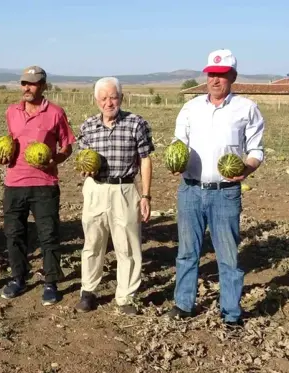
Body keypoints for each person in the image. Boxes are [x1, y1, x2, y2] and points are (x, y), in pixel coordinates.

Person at [166, 49, 265, 327]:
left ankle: (231, 312)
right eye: (211, 74)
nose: (215, 80)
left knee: (228, 255)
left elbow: (256, 149)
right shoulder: (191, 107)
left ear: (232, 76)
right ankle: (184, 304)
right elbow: (178, 142)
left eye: (221, 75)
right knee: (187, 251)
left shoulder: (246, 109)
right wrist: (175, 160)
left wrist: (246, 169)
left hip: (226, 192)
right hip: (191, 190)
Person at [75, 77, 154, 315]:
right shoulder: (88, 126)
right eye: (104, 98)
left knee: (127, 245)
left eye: (113, 97)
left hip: (125, 188)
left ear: (121, 97)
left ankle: (126, 296)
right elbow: (82, 157)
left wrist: (146, 195)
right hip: (95, 188)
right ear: (96, 100)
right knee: (92, 242)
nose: (109, 102)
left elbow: (145, 159)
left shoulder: (136, 123)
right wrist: (84, 167)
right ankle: (88, 291)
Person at [0, 66, 76, 306]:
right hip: (14, 182)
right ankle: (18, 278)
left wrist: (56, 159)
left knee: (49, 235)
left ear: (43, 86)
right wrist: (3, 156)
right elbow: (9, 142)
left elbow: (67, 146)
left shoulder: (55, 113)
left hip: (45, 184)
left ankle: (51, 282)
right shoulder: (12, 112)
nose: (26, 88)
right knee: (14, 234)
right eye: (23, 83)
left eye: (31, 84)